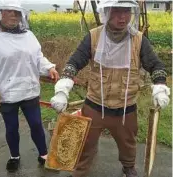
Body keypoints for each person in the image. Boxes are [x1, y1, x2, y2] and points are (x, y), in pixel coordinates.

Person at [50, 0, 170, 177]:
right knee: (86, 143)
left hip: (126, 108)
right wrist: (62, 90)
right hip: (95, 105)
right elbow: (74, 62)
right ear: (106, 13)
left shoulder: (138, 39)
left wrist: (160, 86)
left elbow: (155, 65)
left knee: (128, 143)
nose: (123, 17)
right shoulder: (93, 37)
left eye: (127, 12)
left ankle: (128, 167)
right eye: (117, 11)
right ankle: (80, 171)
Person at [0, 0, 59, 172]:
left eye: (17, 12)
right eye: (9, 11)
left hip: (29, 89)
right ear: (1, 13)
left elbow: (37, 57)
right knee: (11, 127)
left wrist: (49, 67)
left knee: (36, 124)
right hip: (5, 92)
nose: (13, 15)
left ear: (21, 15)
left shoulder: (28, 35)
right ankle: (14, 156)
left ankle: (43, 154)